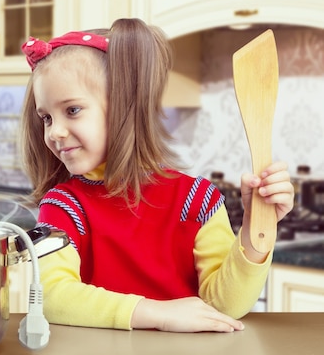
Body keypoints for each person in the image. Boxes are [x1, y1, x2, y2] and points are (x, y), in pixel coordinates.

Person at [19, 18, 294, 333]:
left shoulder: (198, 200)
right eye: (47, 117)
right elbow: (51, 296)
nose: (55, 132)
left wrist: (256, 230)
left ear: (126, 106)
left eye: (72, 110)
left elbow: (224, 307)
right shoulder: (64, 207)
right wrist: (159, 314)